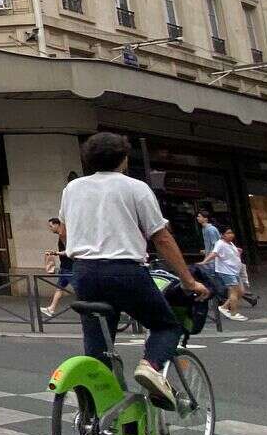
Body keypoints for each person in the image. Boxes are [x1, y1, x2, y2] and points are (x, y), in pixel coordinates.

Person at [59, 132, 209, 410]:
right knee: (166, 325)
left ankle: (100, 426)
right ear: (124, 158)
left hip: (84, 273)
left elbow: (66, 234)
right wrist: (188, 281)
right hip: (125, 271)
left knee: (98, 352)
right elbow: (161, 238)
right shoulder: (135, 188)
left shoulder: (73, 189)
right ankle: (151, 367)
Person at [202, 228, 248, 320]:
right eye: (228, 233)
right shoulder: (220, 243)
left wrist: (238, 251)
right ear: (222, 235)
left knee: (241, 291)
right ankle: (233, 313)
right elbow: (214, 253)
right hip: (227, 271)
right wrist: (204, 262)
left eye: (231, 232)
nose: (231, 235)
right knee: (233, 292)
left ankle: (224, 307)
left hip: (234, 271)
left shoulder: (230, 243)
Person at [40, 217, 73, 320]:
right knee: (59, 288)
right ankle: (51, 309)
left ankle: (92, 309)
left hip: (70, 267)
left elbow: (69, 251)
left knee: (80, 289)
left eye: (51, 226)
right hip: (65, 267)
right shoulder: (61, 236)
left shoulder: (64, 235)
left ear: (57, 225)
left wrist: (55, 253)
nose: (50, 229)